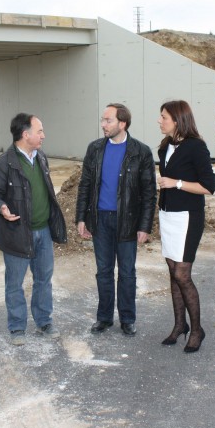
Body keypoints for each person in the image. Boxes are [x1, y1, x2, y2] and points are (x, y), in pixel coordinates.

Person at [0, 113, 67, 346]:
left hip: (44, 231)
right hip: (17, 232)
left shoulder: (41, 158)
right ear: (25, 134)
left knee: (43, 280)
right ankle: (17, 327)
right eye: (39, 131)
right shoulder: (4, 163)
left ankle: (44, 322)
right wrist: (1, 208)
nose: (43, 136)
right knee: (15, 283)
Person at [76, 103, 157, 336]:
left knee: (127, 272)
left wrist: (144, 226)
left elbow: (149, 193)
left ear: (122, 123)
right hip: (100, 220)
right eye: (103, 120)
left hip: (128, 221)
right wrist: (81, 217)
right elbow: (85, 185)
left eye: (108, 120)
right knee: (103, 271)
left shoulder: (140, 152)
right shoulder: (95, 149)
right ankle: (104, 318)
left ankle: (128, 318)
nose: (103, 125)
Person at [157, 100, 215, 353]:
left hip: (188, 218)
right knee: (172, 273)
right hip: (168, 215)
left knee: (182, 274)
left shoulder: (196, 147)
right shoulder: (164, 146)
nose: (159, 121)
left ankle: (197, 329)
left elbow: (208, 186)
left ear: (178, 120)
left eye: (163, 117)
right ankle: (179, 325)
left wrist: (177, 183)